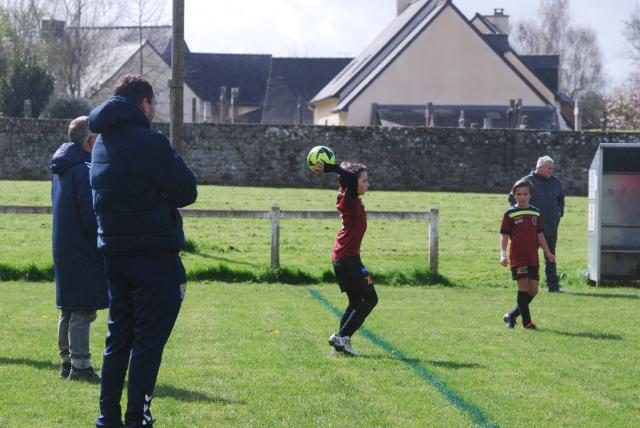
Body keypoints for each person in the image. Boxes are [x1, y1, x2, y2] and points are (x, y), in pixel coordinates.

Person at [89, 74, 197, 428]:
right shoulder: (149, 142)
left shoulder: (102, 142)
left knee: (118, 338)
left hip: (115, 253)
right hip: (152, 254)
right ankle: (139, 416)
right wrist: (160, 192)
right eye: (153, 105)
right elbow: (186, 191)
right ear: (144, 104)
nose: (154, 111)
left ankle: (108, 416)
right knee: (148, 343)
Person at [51, 116, 109, 382]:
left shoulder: (62, 166)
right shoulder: (84, 169)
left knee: (69, 308)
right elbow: (89, 213)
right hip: (83, 247)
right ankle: (81, 367)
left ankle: (67, 362)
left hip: (64, 244)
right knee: (83, 309)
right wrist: (102, 239)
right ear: (90, 141)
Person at [315, 159, 377, 357]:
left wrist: (337, 170)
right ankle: (341, 338)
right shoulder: (349, 196)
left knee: (356, 301)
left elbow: (349, 178)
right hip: (348, 260)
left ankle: (340, 345)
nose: (368, 184)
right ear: (353, 182)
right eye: (364, 180)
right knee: (370, 298)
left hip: (346, 258)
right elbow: (348, 176)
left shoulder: (350, 196)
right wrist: (332, 168)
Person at [501, 179, 555, 330]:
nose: (522, 197)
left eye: (525, 194)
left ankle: (511, 315)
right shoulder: (509, 213)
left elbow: (540, 234)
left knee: (534, 290)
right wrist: (502, 254)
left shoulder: (535, 212)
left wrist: (548, 252)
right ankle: (527, 323)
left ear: (531, 194)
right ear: (514, 195)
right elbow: (504, 235)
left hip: (533, 257)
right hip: (518, 257)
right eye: (518, 194)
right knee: (524, 288)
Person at [509, 156, 564, 292]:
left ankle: (553, 285)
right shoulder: (527, 181)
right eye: (549, 168)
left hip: (551, 226)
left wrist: (559, 212)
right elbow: (512, 198)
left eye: (552, 168)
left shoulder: (555, 182)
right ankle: (525, 284)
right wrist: (522, 216)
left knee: (550, 255)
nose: (551, 171)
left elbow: (561, 199)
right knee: (528, 256)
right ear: (539, 167)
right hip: (531, 228)